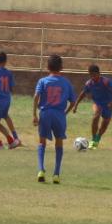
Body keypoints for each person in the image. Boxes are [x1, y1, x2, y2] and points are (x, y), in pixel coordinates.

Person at [33, 55, 76, 184]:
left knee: (42, 142)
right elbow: (73, 102)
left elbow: (36, 96)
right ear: (61, 67)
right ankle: (56, 174)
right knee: (59, 142)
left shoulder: (43, 81)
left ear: (47, 67)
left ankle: (41, 170)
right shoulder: (66, 82)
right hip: (59, 115)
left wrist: (34, 114)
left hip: (45, 113)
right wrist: (65, 113)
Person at [72, 64, 112, 149]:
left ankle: (97, 139)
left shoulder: (106, 81)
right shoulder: (89, 83)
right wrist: (76, 105)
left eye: (94, 75)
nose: (92, 77)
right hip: (97, 103)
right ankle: (93, 139)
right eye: (90, 75)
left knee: (105, 124)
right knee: (96, 115)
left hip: (108, 104)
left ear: (99, 73)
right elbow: (83, 93)